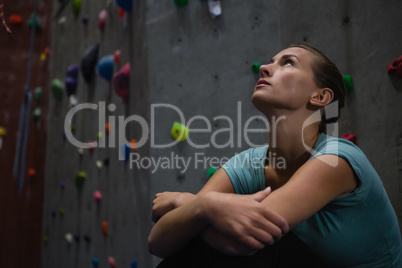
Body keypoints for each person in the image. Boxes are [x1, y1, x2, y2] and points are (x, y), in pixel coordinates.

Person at [148, 44, 401, 267]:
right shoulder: (248, 164)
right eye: (270, 61)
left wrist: (187, 203)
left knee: (262, 247)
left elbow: (243, 243)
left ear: (320, 96)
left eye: (287, 62)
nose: (265, 69)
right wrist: (204, 206)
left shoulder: (335, 160)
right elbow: (158, 242)